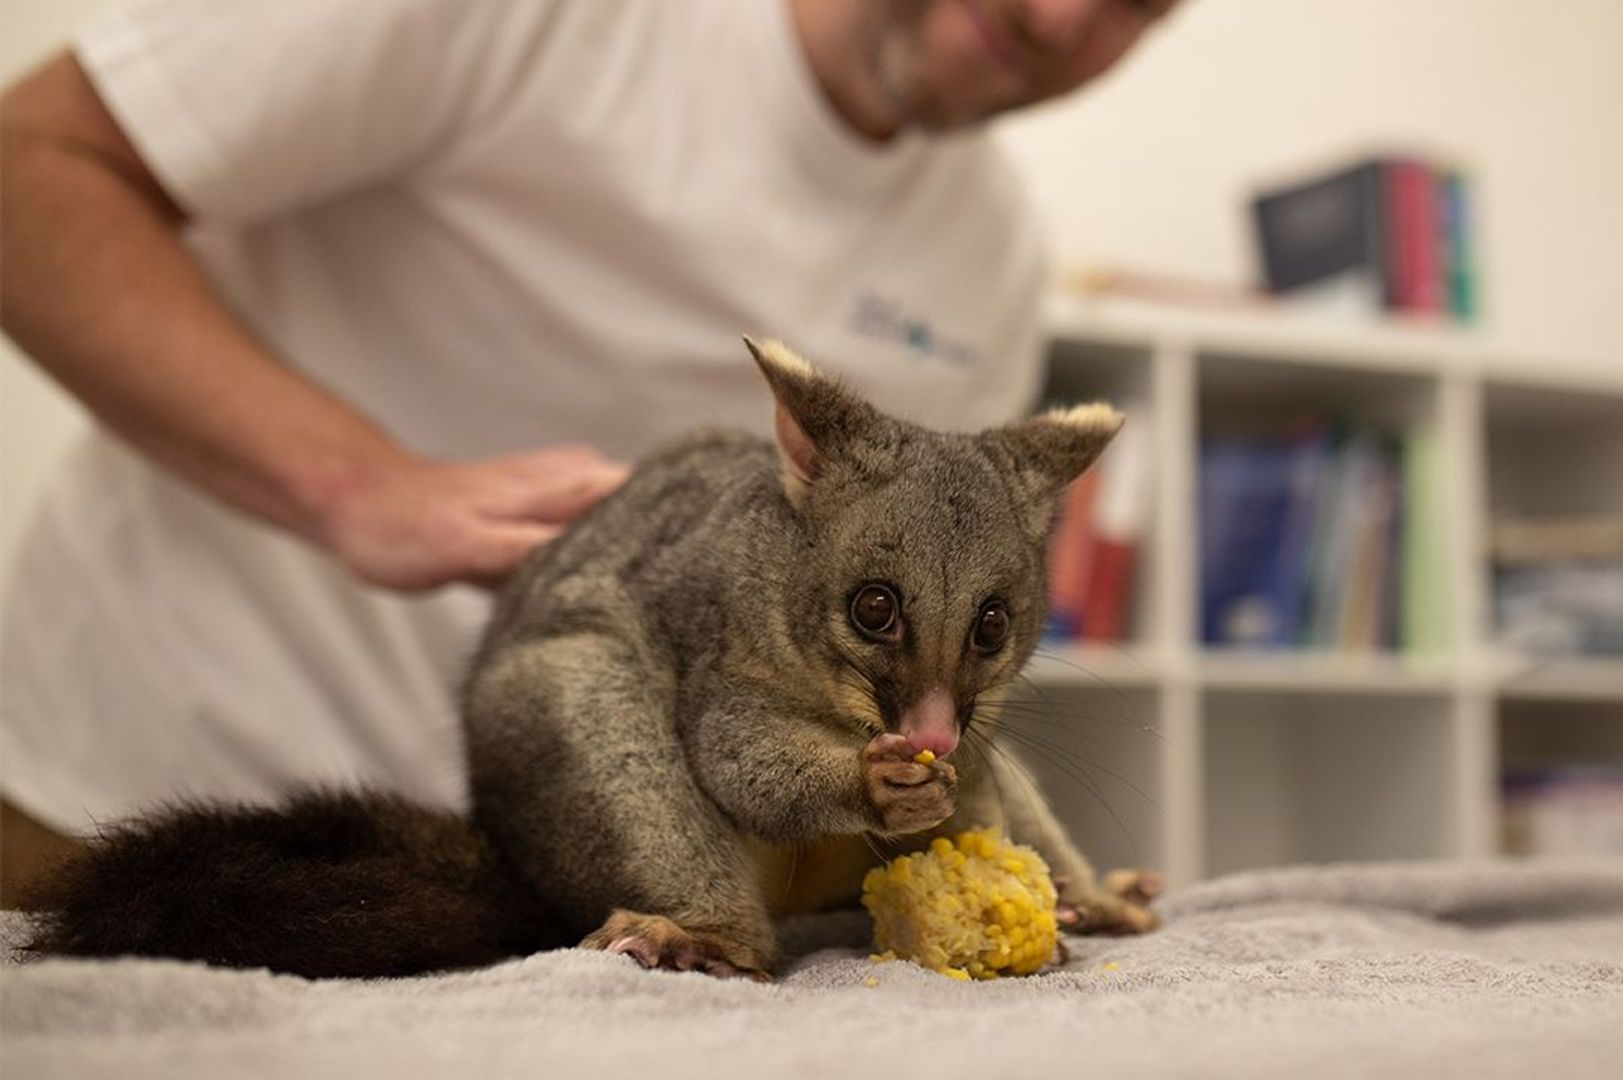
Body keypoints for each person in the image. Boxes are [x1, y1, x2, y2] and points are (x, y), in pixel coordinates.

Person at [0, 0, 1178, 904]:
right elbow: (28, 167)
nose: (1060, 18)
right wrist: (354, 484)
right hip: (130, 803)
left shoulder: (992, 255)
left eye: (1139, 1)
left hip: (555, 898)